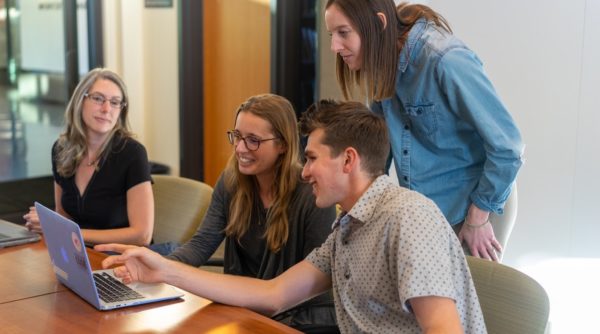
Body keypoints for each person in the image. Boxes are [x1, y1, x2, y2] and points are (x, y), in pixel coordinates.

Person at [97, 100, 486, 334]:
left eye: (313, 158)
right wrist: (164, 270)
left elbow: (443, 330)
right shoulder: (346, 229)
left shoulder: (408, 216)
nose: (304, 171)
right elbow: (274, 294)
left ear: (348, 160)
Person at [324, 0, 524, 261]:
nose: (334, 47)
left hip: (475, 210)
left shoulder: (445, 59)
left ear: (380, 23)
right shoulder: (382, 66)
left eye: (343, 32)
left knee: (469, 300)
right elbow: (376, 153)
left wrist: (477, 218)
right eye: (332, 35)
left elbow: (509, 147)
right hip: (429, 214)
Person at [166, 94, 337, 331]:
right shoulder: (231, 181)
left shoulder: (312, 194)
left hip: (293, 318)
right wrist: (159, 267)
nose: (239, 148)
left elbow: (317, 288)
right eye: (237, 136)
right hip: (240, 308)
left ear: (283, 145)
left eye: (253, 140)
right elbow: (201, 244)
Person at [23, 68, 153, 246]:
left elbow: (142, 236)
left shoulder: (132, 153)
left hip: (122, 259)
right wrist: (48, 222)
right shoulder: (61, 149)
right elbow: (63, 213)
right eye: (98, 98)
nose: (106, 109)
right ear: (80, 101)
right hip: (78, 252)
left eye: (115, 102)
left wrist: (66, 231)